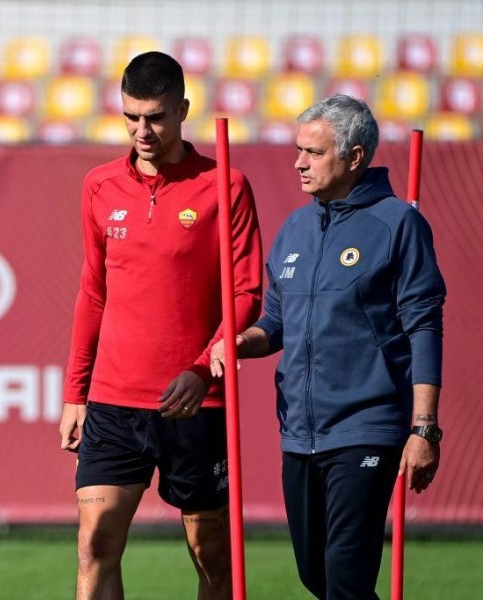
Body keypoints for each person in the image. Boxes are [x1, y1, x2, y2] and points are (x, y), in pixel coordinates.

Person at [210, 94, 446, 599]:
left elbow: (425, 326)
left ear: (355, 156)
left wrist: (424, 428)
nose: (298, 162)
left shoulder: (398, 224)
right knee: (316, 575)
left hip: (367, 429)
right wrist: (239, 342)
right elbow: (275, 321)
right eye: (299, 150)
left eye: (313, 153)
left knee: (345, 576)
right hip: (298, 432)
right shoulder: (295, 228)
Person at [60, 51, 263, 599]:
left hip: (197, 403)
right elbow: (93, 294)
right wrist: (75, 393)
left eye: (155, 117)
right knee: (94, 545)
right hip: (113, 401)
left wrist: (203, 370)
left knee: (211, 556)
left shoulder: (226, 186)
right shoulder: (99, 186)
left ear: (182, 111)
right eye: (130, 117)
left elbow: (246, 293)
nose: (141, 130)